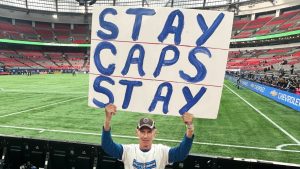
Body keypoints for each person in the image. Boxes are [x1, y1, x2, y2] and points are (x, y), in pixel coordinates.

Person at [102, 104, 194, 169]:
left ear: (155, 133)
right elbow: (107, 146)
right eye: (142, 131)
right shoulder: (127, 150)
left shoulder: (162, 151)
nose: (145, 136)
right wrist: (107, 120)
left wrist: (190, 127)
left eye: (149, 132)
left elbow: (181, 153)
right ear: (137, 132)